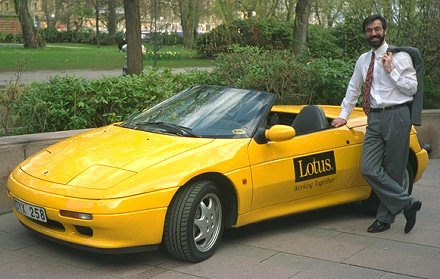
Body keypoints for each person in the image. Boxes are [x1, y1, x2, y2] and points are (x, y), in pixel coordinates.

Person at [331, 14, 422, 233]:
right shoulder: (363, 60)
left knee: (393, 170)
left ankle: (384, 218)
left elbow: (412, 89)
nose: (374, 33)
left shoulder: (400, 57)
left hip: (397, 115)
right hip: (374, 118)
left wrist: (392, 71)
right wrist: (344, 114)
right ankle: (407, 203)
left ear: (385, 31)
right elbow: (354, 88)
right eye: (369, 30)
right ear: (365, 33)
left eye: (377, 29)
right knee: (368, 168)